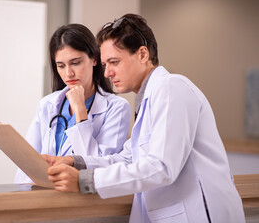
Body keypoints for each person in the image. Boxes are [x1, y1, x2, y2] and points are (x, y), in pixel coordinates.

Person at [44, 14, 245, 222]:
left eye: (114, 62)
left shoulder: (171, 87)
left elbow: (161, 167)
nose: (107, 73)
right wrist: (75, 162)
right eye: (105, 64)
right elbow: (127, 158)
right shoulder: (148, 99)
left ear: (142, 54)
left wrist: (85, 180)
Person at [14, 24, 131, 183]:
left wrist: (80, 110)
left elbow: (98, 166)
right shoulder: (48, 104)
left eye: (75, 63)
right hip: (45, 194)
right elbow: (27, 162)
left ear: (94, 59)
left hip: (83, 197)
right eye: (61, 66)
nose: (68, 73)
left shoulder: (117, 107)